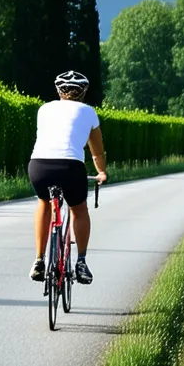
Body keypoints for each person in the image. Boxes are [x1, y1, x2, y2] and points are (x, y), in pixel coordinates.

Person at [27, 70, 108, 285]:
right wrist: (101, 172)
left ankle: (38, 260)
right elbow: (97, 152)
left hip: (38, 165)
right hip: (70, 167)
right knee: (78, 209)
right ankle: (81, 261)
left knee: (44, 203)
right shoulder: (88, 111)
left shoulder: (44, 109)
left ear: (58, 91)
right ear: (84, 92)